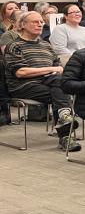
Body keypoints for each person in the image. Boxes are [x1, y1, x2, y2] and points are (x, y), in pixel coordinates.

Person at [4, 10, 78, 149]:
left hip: (50, 83)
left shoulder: (46, 45)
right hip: (23, 86)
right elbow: (21, 72)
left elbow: (59, 68)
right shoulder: (14, 46)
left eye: (41, 22)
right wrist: (50, 70)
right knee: (60, 91)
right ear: (23, 25)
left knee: (59, 87)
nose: (40, 25)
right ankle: (65, 134)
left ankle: (64, 121)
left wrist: (55, 71)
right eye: (35, 22)